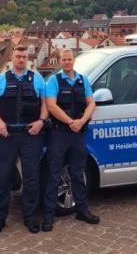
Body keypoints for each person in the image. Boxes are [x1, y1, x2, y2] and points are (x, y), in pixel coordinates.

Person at [0, 45, 48, 235]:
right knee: (2, 178)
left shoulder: (37, 79)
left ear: (27, 59)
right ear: (12, 58)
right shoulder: (1, 79)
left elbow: (45, 105)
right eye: (18, 56)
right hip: (7, 135)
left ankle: (30, 218)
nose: (20, 60)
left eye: (23, 57)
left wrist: (41, 121)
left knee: (31, 177)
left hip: (31, 135)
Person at [42, 48, 99, 231]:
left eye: (69, 59)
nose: (67, 62)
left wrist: (81, 121)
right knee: (53, 174)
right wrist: (70, 122)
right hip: (59, 133)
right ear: (60, 62)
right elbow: (51, 105)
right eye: (64, 59)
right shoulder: (54, 80)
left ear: (74, 60)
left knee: (78, 173)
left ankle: (82, 210)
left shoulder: (83, 80)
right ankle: (49, 215)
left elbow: (91, 103)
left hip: (78, 133)